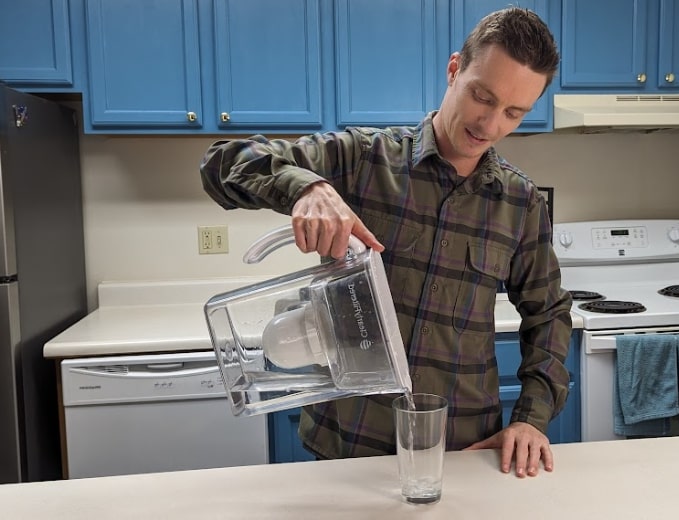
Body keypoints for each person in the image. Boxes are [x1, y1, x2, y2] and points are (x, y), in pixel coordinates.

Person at [200, 7, 572, 478]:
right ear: (454, 69)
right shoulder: (363, 158)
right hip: (346, 449)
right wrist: (305, 187)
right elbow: (222, 163)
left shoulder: (520, 202)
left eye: (514, 113)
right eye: (483, 96)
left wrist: (532, 419)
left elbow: (550, 315)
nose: (491, 123)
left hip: (460, 452)